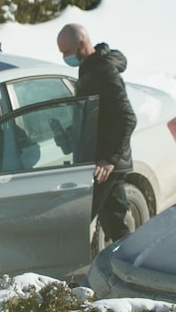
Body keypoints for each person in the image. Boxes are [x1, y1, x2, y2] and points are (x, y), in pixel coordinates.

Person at [56, 23, 137, 242]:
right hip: (100, 161)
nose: (65, 57)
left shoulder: (103, 71)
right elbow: (95, 115)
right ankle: (126, 266)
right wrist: (67, 136)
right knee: (115, 225)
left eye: (66, 52)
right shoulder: (90, 68)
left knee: (82, 221)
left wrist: (109, 160)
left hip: (106, 164)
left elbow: (127, 117)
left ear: (81, 44)